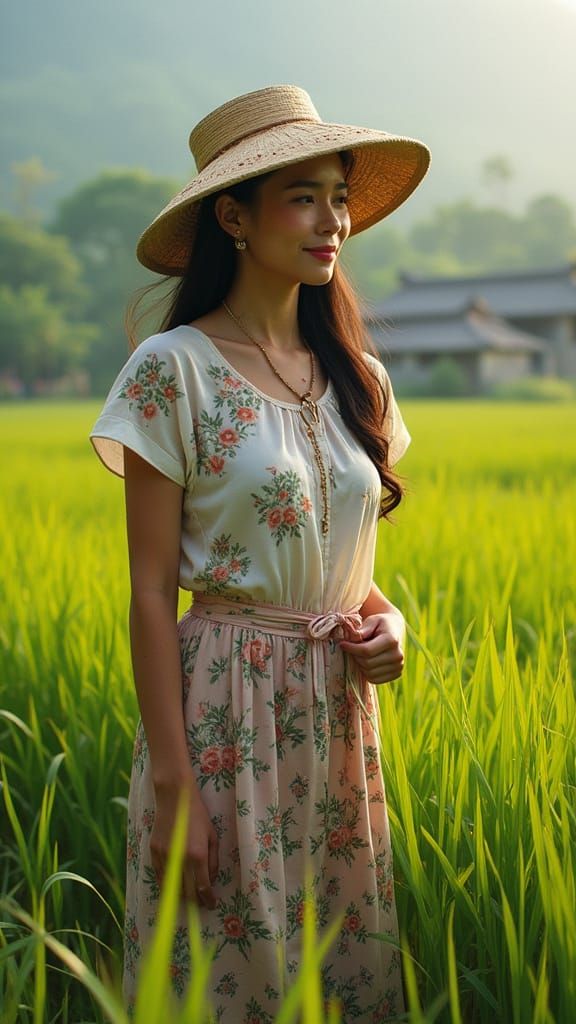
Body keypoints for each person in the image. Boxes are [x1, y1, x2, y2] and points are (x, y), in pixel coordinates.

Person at [90, 84, 430, 1022]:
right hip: (223, 716)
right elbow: (153, 591)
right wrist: (173, 787)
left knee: (338, 972)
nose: (335, 222)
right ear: (233, 217)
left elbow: (346, 567)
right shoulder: (175, 370)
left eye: (342, 195)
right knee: (227, 977)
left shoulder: (360, 378)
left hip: (338, 719)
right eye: (305, 196)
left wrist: (386, 619)